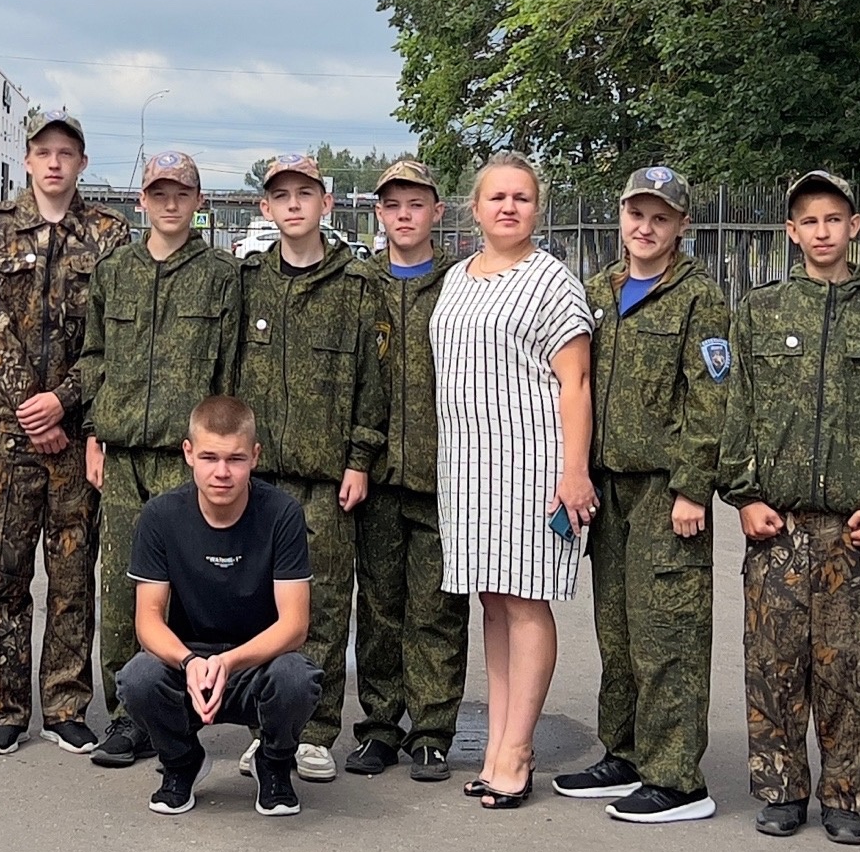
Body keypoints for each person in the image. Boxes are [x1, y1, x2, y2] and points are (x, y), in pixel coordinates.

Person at [717, 169, 860, 844]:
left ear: (855, 227)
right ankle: (782, 788)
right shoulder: (759, 311)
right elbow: (738, 409)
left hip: (852, 529)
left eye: (834, 220)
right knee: (775, 665)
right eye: (809, 221)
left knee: (848, 667)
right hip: (776, 526)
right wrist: (745, 494)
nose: (822, 232)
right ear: (791, 231)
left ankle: (845, 793)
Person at [426, 153, 596, 809]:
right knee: (493, 602)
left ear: (537, 208)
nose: (508, 207)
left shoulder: (552, 282)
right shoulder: (459, 278)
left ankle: (518, 750)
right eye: (496, 197)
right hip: (469, 471)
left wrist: (574, 471)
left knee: (526, 603)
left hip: (532, 470)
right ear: (475, 207)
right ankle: (497, 742)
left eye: (521, 198)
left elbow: (575, 383)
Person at [562, 165, 730, 825]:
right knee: (619, 629)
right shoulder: (599, 290)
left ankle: (677, 776)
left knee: (670, 636)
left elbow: (710, 399)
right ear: (621, 216)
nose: (646, 227)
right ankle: (626, 753)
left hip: (666, 492)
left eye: (661, 217)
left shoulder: (699, 296)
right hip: (609, 487)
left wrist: (692, 487)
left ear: (682, 225)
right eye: (637, 214)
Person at [71, 151, 243, 769]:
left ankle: (185, 711)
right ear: (140, 200)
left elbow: (229, 372)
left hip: (185, 460)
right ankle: (128, 716)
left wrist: (215, 454)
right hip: (123, 460)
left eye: (182, 193)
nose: (170, 204)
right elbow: (94, 356)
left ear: (199, 201)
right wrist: (95, 431)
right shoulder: (115, 270)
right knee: (121, 586)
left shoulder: (222, 276)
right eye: (158, 193)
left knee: (188, 594)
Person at [0, 106, 131, 755]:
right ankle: (5, 707)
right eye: (44, 152)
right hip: (9, 434)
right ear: (28, 159)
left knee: (71, 579)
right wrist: (32, 407)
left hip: (74, 433)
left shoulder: (108, 234)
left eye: (67, 152)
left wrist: (62, 404)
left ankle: (65, 704)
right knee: (3, 576)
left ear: (82, 162)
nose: (55, 162)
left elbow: (112, 333)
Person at [229, 153, 384, 783]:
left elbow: (372, 381)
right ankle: (266, 727)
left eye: (305, 194)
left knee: (320, 606)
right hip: (259, 480)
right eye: (281, 196)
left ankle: (315, 732)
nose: (294, 205)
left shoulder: (357, 284)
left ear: (326, 203)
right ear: (265, 208)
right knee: (259, 608)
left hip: (325, 478)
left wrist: (359, 458)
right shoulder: (248, 282)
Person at [117, 395, 321, 820]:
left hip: (256, 662)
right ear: (188, 453)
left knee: (297, 678)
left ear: (255, 457)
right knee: (137, 678)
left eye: (236, 459)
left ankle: (274, 762)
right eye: (209, 457)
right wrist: (190, 661)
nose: (222, 472)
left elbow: (295, 625)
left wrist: (228, 662)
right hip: (188, 662)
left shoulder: (282, 514)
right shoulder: (160, 515)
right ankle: (181, 762)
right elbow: (148, 618)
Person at [356, 159, 468, 781]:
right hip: (373, 475)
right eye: (393, 205)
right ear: (379, 214)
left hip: (443, 471)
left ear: (437, 212)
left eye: (416, 204)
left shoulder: (462, 282)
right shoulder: (361, 280)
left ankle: (431, 730)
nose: (404, 215)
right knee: (378, 608)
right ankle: (378, 726)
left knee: (437, 608)